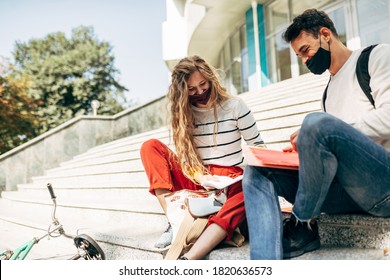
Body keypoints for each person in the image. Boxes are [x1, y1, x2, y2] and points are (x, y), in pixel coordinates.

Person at [242, 8, 390, 260]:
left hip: (381, 184)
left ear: (325, 34)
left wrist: (324, 130)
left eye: (305, 51)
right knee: (256, 170)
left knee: (315, 123)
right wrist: (308, 150)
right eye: (299, 55)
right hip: (346, 192)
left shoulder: (376, 57)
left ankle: (303, 223)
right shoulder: (328, 92)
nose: (305, 60)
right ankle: (264, 263)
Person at [140, 55, 265, 259]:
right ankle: (174, 221)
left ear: (211, 79)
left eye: (203, 84)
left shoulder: (235, 106)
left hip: (233, 180)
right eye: (191, 89)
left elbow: (258, 147)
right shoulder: (183, 113)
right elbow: (187, 160)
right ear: (182, 92)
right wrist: (200, 177)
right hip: (200, 179)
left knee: (250, 187)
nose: (200, 92)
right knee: (150, 147)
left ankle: (202, 239)